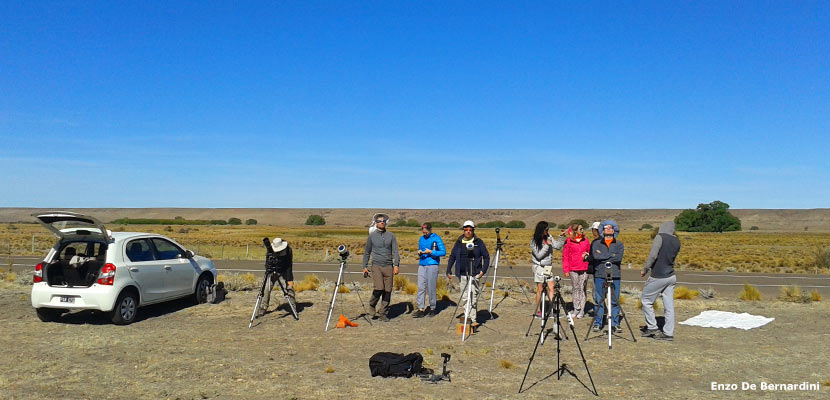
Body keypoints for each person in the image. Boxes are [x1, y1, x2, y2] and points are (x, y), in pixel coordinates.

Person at [640, 221, 681, 341]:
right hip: (671, 276)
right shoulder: (677, 241)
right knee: (669, 306)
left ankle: (652, 327)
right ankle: (668, 333)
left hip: (658, 275)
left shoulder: (660, 237)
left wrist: (645, 269)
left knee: (646, 300)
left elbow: (653, 255)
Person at [446, 220, 490, 325]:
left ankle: (473, 319)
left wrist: (483, 271)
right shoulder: (458, 242)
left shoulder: (479, 242)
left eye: (470, 230)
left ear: (473, 230)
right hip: (462, 274)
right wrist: (449, 269)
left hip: (474, 273)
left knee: (473, 296)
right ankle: (467, 317)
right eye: (466, 230)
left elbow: (486, 257)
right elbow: (452, 256)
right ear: (463, 230)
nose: (468, 232)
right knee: (465, 296)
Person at [362, 213, 400, 322]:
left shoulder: (391, 236)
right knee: (379, 288)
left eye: (383, 221)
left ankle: (383, 312)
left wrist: (396, 265)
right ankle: (372, 305)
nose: (381, 222)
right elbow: (367, 252)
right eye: (379, 221)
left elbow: (395, 251)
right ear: (376, 223)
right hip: (376, 265)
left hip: (388, 266)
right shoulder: (372, 236)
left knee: (388, 290)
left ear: (386, 222)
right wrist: (364, 266)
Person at [588, 220, 624, 333]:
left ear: (614, 230)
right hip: (600, 275)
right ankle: (598, 323)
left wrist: (603, 256)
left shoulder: (619, 245)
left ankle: (615, 323)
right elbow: (596, 256)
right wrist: (611, 255)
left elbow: (618, 258)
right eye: (606, 228)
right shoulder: (596, 244)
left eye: (611, 228)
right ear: (602, 230)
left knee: (614, 300)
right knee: (599, 300)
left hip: (615, 275)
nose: (608, 229)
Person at [530, 221, 565, 318]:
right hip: (539, 267)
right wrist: (547, 245)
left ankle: (553, 310)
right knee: (540, 289)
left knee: (551, 288)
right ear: (541, 230)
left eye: (548, 229)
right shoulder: (534, 240)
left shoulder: (549, 236)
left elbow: (557, 246)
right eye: (546, 230)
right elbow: (539, 255)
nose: (548, 231)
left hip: (548, 267)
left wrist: (561, 237)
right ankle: (538, 311)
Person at [413, 223, 446, 318]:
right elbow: (420, 248)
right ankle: (420, 309)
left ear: (430, 230)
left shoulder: (436, 238)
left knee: (431, 287)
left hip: (432, 264)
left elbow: (443, 252)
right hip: (422, 264)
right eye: (423, 232)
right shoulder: (421, 238)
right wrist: (419, 252)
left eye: (426, 232)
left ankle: (432, 308)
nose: (424, 234)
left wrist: (431, 252)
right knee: (420, 287)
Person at [257, 238, 295, 316]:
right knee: (267, 289)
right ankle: (263, 307)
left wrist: (289, 279)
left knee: (290, 288)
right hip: (272, 272)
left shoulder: (288, 250)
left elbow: (289, 265)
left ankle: (292, 307)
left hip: (284, 271)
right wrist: (269, 270)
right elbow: (267, 263)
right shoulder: (270, 250)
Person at [562, 223, 590, 318]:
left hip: (584, 268)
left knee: (582, 288)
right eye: (580, 229)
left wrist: (587, 256)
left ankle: (582, 310)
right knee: (575, 288)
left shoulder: (586, 240)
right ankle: (575, 308)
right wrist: (566, 269)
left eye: (582, 229)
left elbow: (590, 252)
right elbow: (565, 256)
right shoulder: (569, 241)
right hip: (573, 268)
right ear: (575, 231)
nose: (582, 231)